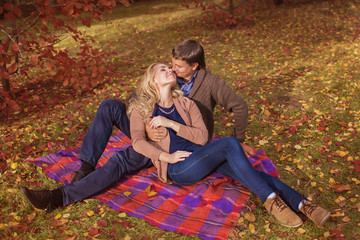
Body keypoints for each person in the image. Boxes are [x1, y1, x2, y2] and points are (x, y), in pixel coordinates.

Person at [20, 39, 253, 212]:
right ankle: (86, 168)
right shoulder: (164, 78)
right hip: (151, 128)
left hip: (174, 139)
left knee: (121, 160)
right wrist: (141, 123)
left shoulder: (209, 84)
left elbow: (236, 108)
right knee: (110, 105)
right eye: (169, 65)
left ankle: (57, 198)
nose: (172, 69)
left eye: (176, 66)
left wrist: (239, 141)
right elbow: (137, 99)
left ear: (194, 66)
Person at [128, 63, 330, 228]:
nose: (170, 70)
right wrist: (167, 157)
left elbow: (201, 137)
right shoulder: (143, 109)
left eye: (170, 68)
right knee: (230, 144)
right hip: (179, 167)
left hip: (203, 154)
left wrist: (171, 123)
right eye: (163, 69)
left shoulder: (187, 104)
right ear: (153, 79)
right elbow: (137, 141)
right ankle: (271, 200)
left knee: (251, 173)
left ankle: (304, 205)